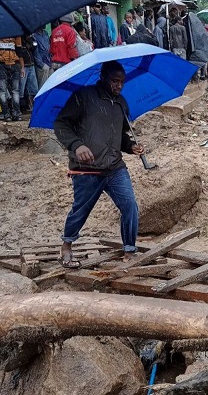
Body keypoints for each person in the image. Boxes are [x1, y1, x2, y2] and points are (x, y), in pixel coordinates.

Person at [54, 60, 145, 267]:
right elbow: (61, 123)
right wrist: (77, 145)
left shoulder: (121, 103)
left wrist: (131, 146)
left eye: (122, 82)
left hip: (114, 167)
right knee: (81, 210)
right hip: (87, 169)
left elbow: (121, 136)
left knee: (130, 205)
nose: (119, 86)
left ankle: (129, 250)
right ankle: (67, 245)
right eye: (114, 81)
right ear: (103, 78)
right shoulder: (83, 97)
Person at [0, 37, 26, 121]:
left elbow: (19, 50)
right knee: (3, 90)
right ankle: (7, 114)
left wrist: (22, 66)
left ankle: (16, 113)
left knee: (14, 90)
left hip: (14, 63)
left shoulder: (15, 31)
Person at [19, 34, 39, 112]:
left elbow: (35, 46)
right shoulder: (17, 38)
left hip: (30, 64)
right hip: (23, 66)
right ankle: (22, 107)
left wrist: (29, 39)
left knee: (34, 88)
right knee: (21, 88)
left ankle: (32, 106)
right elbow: (19, 52)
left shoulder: (28, 38)